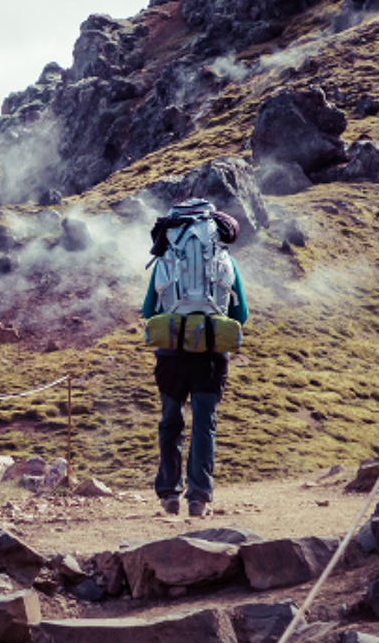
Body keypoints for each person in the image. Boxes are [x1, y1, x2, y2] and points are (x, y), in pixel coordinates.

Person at [140, 200, 250, 518]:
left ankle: (169, 494)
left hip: (171, 354)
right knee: (205, 423)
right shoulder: (225, 261)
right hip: (212, 355)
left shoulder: (163, 261)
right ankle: (198, 497)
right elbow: (240, 313)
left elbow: (149, 311)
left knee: (171, 422)